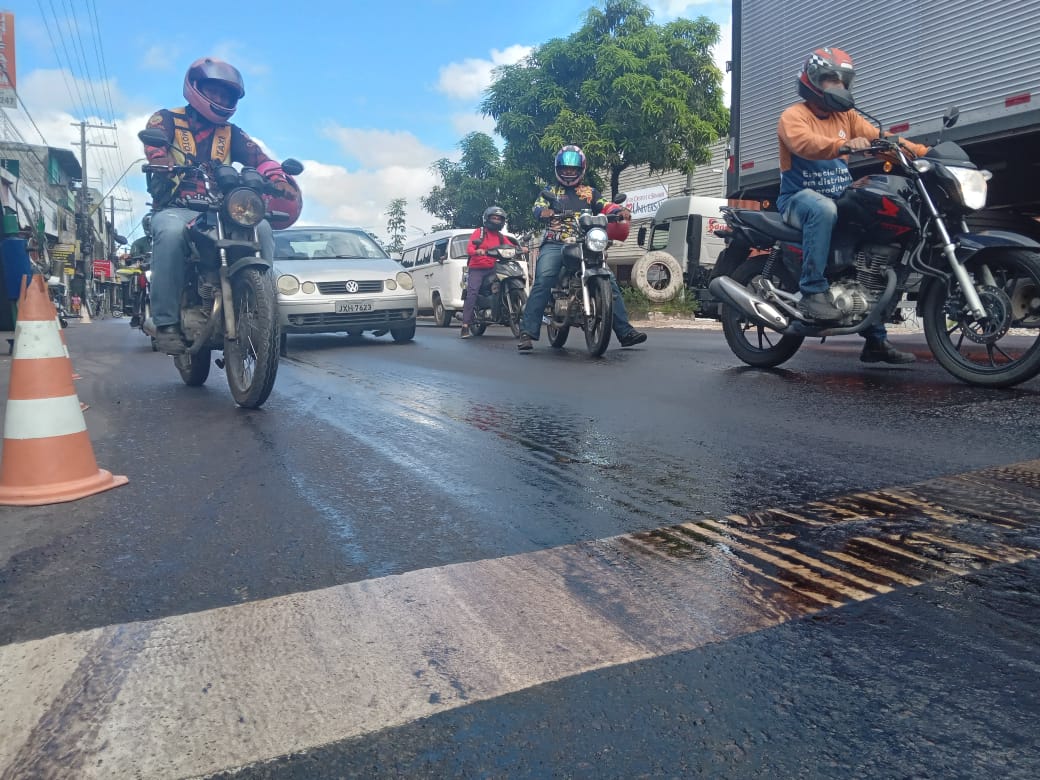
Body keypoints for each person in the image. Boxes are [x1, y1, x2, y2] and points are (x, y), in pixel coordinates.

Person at [777, 46, 929, 364]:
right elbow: (805, 143)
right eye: (830, 79)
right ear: (813, 81)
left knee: (875, 234)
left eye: (843, 81)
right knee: (823, 209)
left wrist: (921, 152)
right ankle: (812, 291)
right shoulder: (793, 116)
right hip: (798, 199)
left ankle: (874, 340)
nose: (838, 87)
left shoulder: (846, 116)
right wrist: (843, 145)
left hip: (839, 196)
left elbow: (880, 138)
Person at [141, 57, 301, 354]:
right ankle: (165, 323)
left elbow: (260, 158)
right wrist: (161, 162)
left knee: (263, 228)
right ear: (195, 87)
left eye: (226, 95)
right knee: (171, 233)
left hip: (224, 208)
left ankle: (259, 311)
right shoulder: (165, 119)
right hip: (178, 206)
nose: (220, 99)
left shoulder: (233, 133)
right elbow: (155, 147)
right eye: (214, 92)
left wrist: (277, 176)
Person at [517, 145, 646, 352]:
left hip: (585, 243)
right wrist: (547, 212)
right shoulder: (551, 191)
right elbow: (537, 208)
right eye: (565, 169)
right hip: (556, 242)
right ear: (559, 169)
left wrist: (619, 210)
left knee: (610, 281)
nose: (569, 173)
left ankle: (625, 332)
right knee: (544, 279)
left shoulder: (589, 192)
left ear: (580, 170)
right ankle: (527, 332)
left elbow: (605, 206)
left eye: (573, 170)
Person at [461, 206, 518, 338]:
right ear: (487, 219)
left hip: (493, 267)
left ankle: (501, 309)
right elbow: (469, 248)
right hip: (477, 268)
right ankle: (465, 326)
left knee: (505, 280)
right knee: (472, 292)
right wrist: (477, 251)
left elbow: (510, 245)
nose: (496, 220)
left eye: (499, 218)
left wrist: (521, 248)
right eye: (494, 218)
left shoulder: (500, 236)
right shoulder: (479, 232)